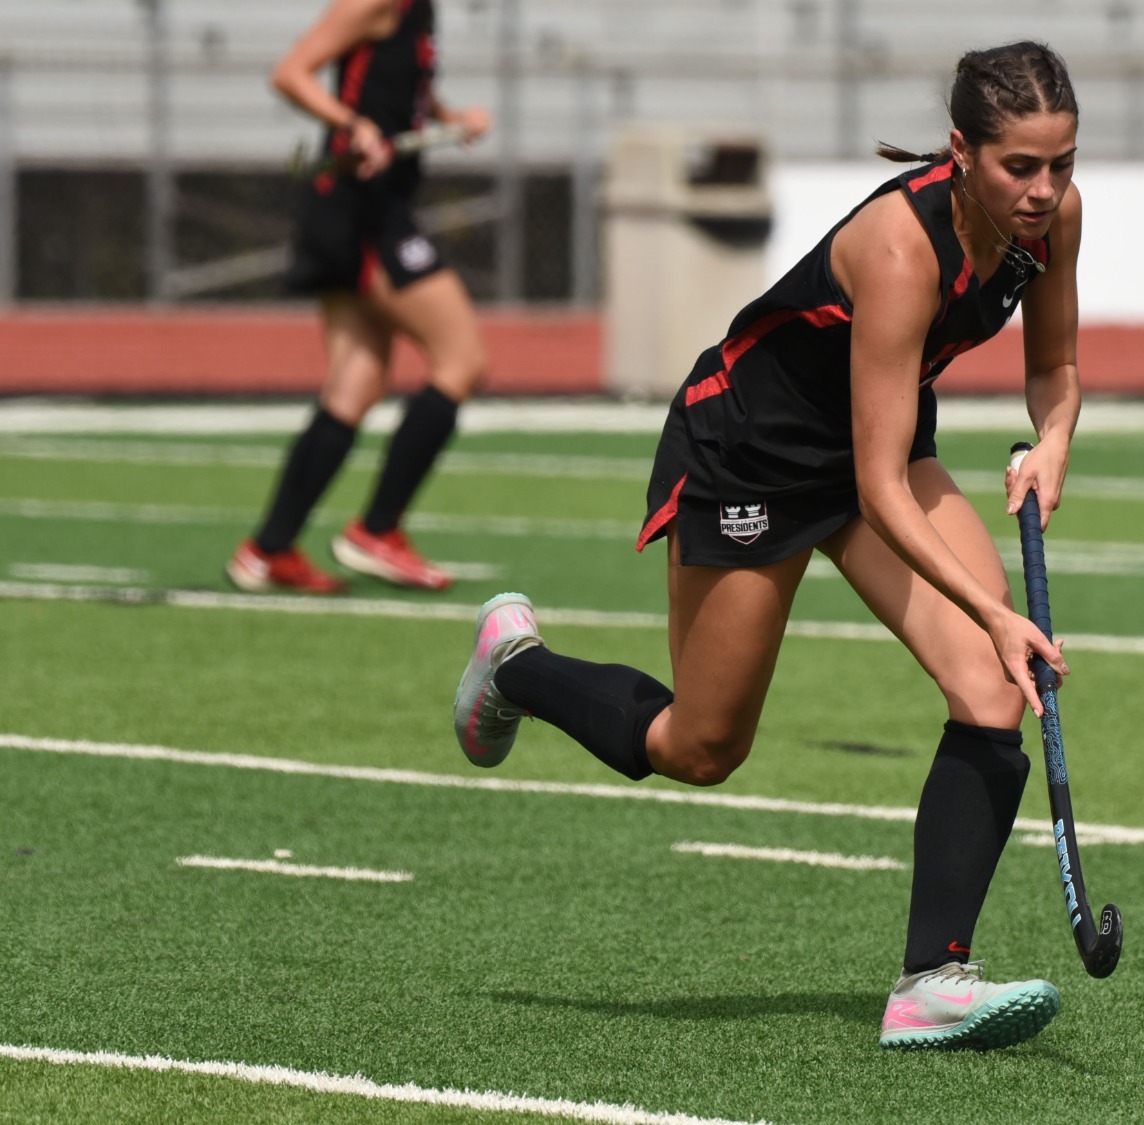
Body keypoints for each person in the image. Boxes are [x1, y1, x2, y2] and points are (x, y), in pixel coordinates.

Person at [453, 42, 1083, 1052]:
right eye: (1020, 167)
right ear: (961, 151)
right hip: (752, 456)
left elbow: (1051, 361)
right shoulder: (897, 247)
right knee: (700, 748)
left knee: (988, 687)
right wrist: (992, 606)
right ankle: (518, 668)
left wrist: (1053, 436)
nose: (1044, 190)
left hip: (873, 445)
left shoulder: (1052, 219)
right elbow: (878, 491)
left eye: (1060, 163)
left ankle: (933, 980)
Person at [227, 0, 491, 595]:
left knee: (357, 381)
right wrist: (350, 124)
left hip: (368, 209)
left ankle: (268, 549)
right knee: (462, 359)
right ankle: (378, 531)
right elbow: (290, 73)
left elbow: (399, 95)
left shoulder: (420, 11)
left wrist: (451, 117)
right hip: (360, 211)